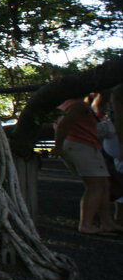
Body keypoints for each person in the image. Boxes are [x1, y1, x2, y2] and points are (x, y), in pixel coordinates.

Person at [53, 93, 123, 236]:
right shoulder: (78, 106)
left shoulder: (64, 105)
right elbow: (63, 125)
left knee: (103, 185)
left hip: (86, 145)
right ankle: (86, 224)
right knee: (95, 186)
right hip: (82, 145)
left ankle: (107, 222)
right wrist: (58, 146)